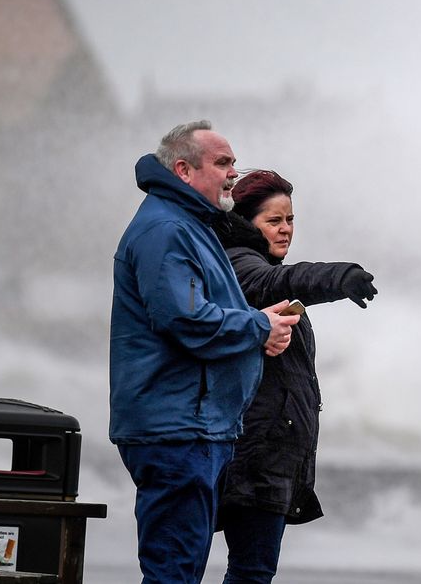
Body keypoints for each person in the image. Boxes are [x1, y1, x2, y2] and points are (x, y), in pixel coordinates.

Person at [110, 121, 302, 584]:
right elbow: (186, 320)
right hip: (177, 429)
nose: (234, 173)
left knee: (181, 568)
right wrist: (259, 326)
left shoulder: (191, 224)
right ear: (183, 169)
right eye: (223, 163)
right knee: (174, 573)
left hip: (194, 426)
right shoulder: (168, 228)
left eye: (233, 161)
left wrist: (261, 322)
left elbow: (204, 309)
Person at [211, 169, 378, 584]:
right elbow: (278, 279)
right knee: (251, 572)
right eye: (273, 221)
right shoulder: (240, 266)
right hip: (256, 454)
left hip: (269, 452)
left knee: (251, 571)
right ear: (247, 224)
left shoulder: (249, 266)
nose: (286, 230)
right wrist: (339, 278)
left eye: (290, 220)